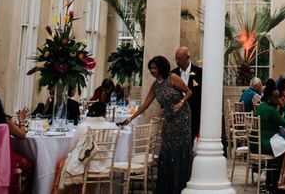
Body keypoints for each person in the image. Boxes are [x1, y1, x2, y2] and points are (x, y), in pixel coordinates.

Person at [123, 55, 192, 194]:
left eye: (154, 68)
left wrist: (181, 103)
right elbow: (145, 105)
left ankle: (181, 186)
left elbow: (188, 91)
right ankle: (168, 187)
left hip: (182, 116)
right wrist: (131, 118)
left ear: (161, 68)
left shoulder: (172, 78)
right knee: (167, 149)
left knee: (179, 149)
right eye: (150, 68)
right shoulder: (155, 86)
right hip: (169, 118)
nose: (152, 71)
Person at [56, 101, 119, 191]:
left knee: (63, 162)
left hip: (84, 164)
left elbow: (71, 147)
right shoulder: (112, 127)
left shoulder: (83, 126)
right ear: (104, 113)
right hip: (104, 164)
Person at [0, 91, 33, 191]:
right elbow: (21, 135)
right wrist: (21, 120)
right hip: (3, 158)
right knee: (30, 163)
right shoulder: (4, 120)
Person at [255, 84, 285, 193]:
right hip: (265, 143)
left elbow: (276, 118)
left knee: (281, 148)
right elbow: (284, 123)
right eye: (276, 97)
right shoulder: (270, 109)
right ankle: (275, 182)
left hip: (256, 142)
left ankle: (271, 181)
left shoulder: (262, 106)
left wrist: (280, 108)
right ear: (269, 99)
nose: (278, 99)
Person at [175, 45, 203, 141]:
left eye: (180, 58)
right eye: (176, 58)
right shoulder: (173, 73)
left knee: (190, 140)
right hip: (176, 115)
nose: (177, 61)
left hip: (193, 114)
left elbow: (201, 94)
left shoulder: (199, 73)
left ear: (187, 57)